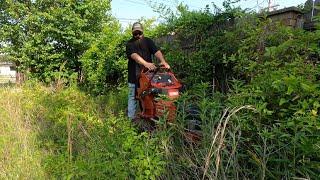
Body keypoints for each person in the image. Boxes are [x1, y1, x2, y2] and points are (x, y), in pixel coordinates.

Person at [126, 22, 170, 120]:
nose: (137, 35)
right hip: (134, 76)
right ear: (132, 33)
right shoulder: (129, 44)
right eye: (135, 33)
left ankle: (149, 118)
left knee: (148, 97)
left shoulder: (148, 41)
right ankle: (131, 120)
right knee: (132, 98)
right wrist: (146, 64)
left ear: (143, 32)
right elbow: (134, 56)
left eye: (139, 33)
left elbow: (156, 51)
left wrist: (163, 61)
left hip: (148, 77)